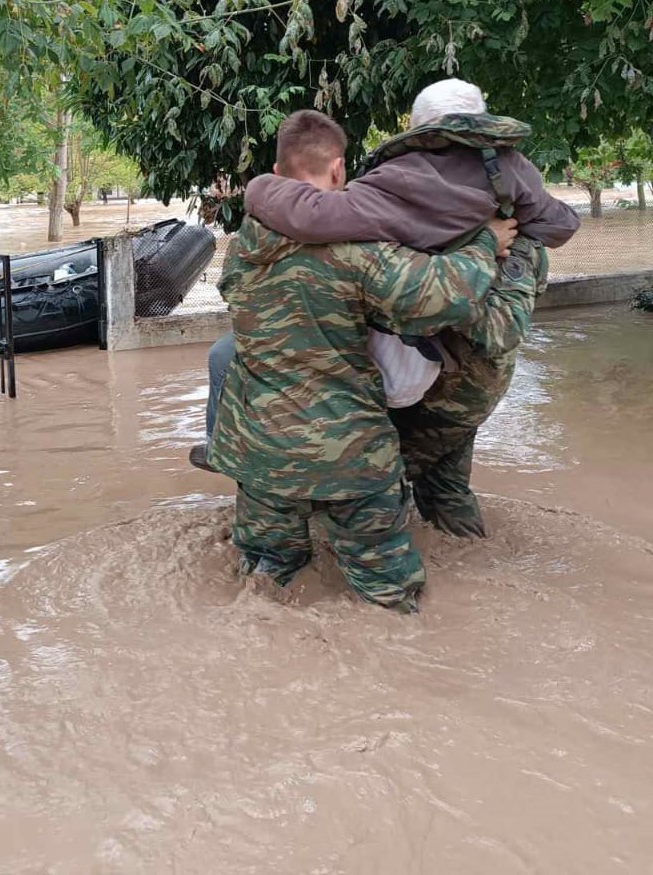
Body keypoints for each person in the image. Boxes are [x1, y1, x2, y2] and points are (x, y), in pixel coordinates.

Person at [195, 79, 580, 538]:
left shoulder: (389, 189)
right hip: (470, 380)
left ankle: (293, 509)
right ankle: (457, 551)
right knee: (443, 489)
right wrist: (490, 240)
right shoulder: (520, 206)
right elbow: (556, 234)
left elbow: (324, 226)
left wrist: (261, 189)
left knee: (368, 478)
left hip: (418, 377)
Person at [207, 109, 520, 613]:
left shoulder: (243, 247)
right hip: (347, 456)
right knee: (388, 597)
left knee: (265, 580)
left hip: (258, 451)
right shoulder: (353, 250)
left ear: (278, 167)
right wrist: (485, 240)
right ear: (337, 171)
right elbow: (447, 296)